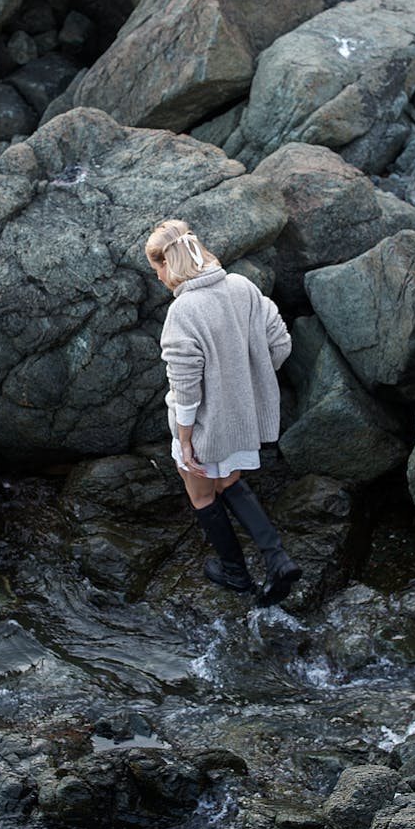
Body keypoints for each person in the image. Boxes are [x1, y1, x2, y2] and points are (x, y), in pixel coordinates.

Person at [145, 218, 301, 607]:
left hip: (205, 426)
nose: (160, 278)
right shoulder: (242, 286)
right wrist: (248, 387)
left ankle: (236, 573)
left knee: (200, 494)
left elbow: (186, 388)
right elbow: (280, 343)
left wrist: (184, 440)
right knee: (228, 481)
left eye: (158, 269)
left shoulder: (183, 311)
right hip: (243, 419)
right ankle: (277, 558)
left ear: (170, 263)